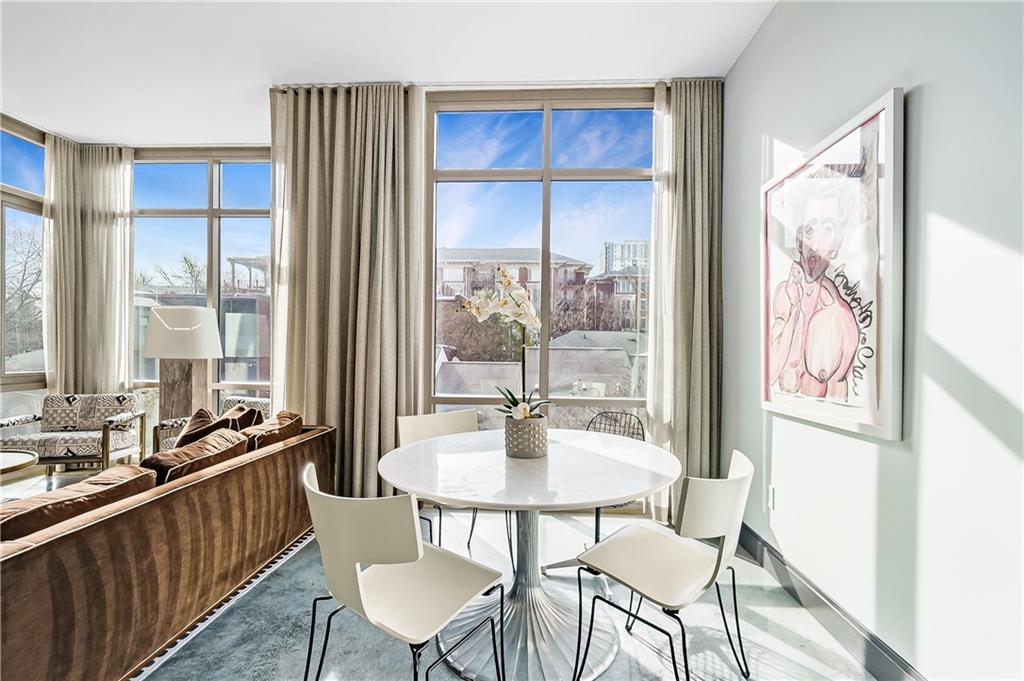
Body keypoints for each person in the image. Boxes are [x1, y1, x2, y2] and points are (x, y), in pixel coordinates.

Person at [769, 178, 860, 401]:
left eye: (827, 231)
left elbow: (839, 398)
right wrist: (794, 312)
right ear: (799, 240)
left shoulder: (841, 319)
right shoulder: (785, 296)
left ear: (837, 245)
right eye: (809, 231)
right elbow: (770, 372)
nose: (815, 243)